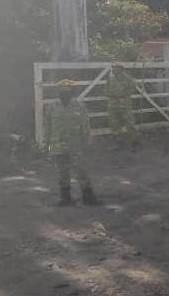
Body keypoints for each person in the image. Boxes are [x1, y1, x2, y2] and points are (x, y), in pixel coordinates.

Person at [44, 79, 98, 207]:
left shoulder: (80, 106)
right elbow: (47, 127)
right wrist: (45, 145)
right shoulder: (52, 107)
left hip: (76, 145)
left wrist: (87, 143)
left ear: (72, 92)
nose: (64, 93)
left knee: (81, 170)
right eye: (62, 91)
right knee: (62, 172)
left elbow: (85, 126)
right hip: (58, 146)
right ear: (58, 92)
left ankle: (88, 197)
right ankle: (65, 198)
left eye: (67, 91)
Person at [107, 64, 138, 149]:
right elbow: (106, 89)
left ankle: (133, 140)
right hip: (113, 104)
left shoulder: (128, 78)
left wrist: (123, 94)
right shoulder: (110, 78)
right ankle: (118, 140)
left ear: (121, 69)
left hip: (125, 104)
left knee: (129, 122)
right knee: (114, 123)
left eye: (116, 68)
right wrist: (111, 95)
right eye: (113, 68)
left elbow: (133, 88)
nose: (114, 69)